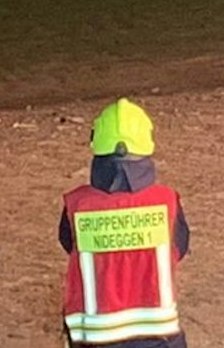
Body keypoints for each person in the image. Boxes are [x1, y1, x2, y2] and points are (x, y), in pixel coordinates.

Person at [59, 100, 191, 348]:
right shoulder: (166, 202)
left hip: (95, 338)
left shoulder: (77, 205)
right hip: (160, 336)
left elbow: (69, 244)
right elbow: (180, 248)